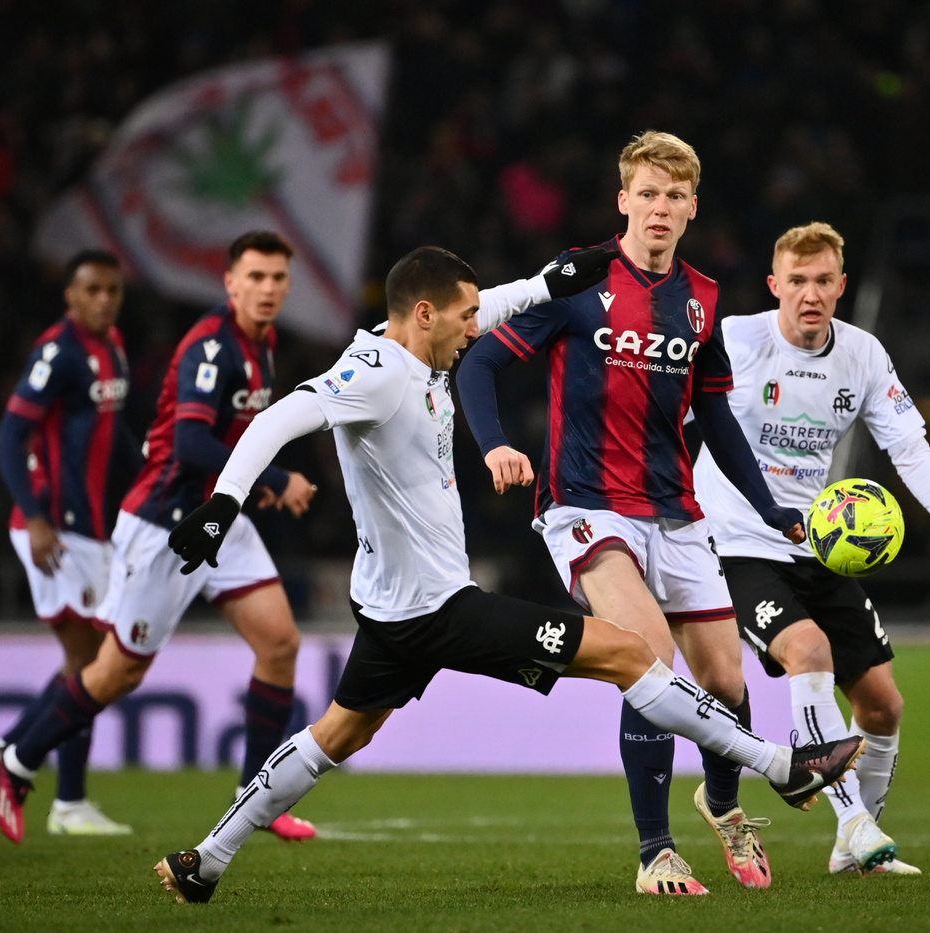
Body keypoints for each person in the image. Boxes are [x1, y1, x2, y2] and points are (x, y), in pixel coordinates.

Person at [150, 245, 863, 904]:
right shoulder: (374, 373)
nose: (473, 334)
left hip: (392, 615)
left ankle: (207, 858)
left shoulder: (413, 336)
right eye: (462, 320)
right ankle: (781, 765)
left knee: (335, 735)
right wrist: (222, 504)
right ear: (425, 314)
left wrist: (548, 282)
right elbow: (279, 418)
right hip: (442, 612)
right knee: (629, 653)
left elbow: (490, 303)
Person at [457, 131, 811, 894]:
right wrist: (493, 445)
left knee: (725, 678)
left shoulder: (704, 299)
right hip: (585, 507)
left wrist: (770, 506)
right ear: (624, 200)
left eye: (673, 195)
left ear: (692, 207)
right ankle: (656, 851)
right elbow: (479, 359)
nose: (659, 207)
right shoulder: (578, 280)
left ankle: (723, 805)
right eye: (646, 193)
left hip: (676, 512)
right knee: (649, 654)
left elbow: (716, 419)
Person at [691, 222, 930, 875]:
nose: (810, 294)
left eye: (823, 281)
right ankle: (854, 821)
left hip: (819, 546)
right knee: (808, 651)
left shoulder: (862, 355)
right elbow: (665, 414)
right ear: (775, 285)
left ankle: (852, 848)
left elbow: (908, 446)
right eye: (797, 281)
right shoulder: (734, 341)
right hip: (738, 543)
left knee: (883, 703)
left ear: (842, 286)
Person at [0, 231, 319, 844]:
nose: (268, 289)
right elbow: (189, 444)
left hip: (220, 514)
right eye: (256, 277)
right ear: (231, 283)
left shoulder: (261, 343)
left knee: (280, 643)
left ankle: (255, 801)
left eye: (278, 278)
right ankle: (14, 762)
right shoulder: (211, 347)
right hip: (167, 525)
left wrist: (250, 484)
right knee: (114, 673)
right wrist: (272, 474)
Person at [0, 250, 139, 835]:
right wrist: (37, 518)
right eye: (91, 289)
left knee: (85, 660)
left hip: (89, 529)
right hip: (57, 528)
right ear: (70, 295)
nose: (102, 300)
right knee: (91, 662)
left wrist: (152, 464)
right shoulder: (59, 351)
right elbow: (7, 438)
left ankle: (7, 748)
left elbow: (111, 433)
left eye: (111, 290)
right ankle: (66, 801)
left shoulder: (112, 345)